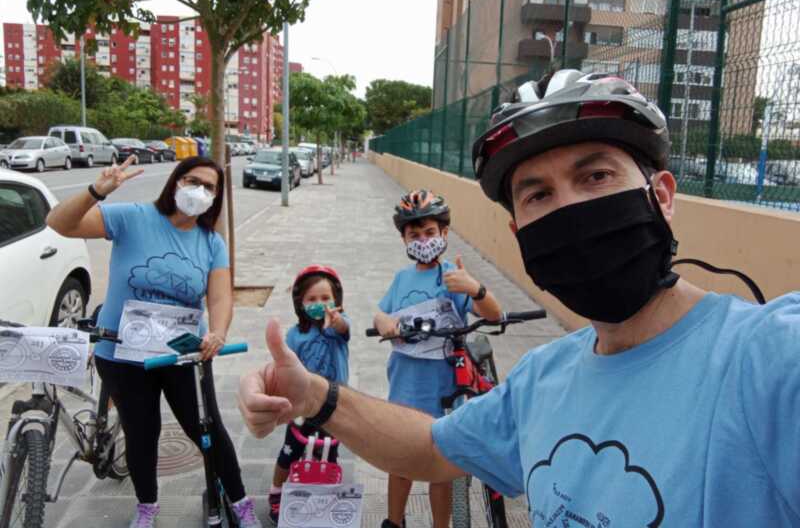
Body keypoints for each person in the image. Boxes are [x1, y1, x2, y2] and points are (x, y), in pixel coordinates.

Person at [238, 70, 800, 526]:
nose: (570, 211)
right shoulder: (539, 380)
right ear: (519, 236)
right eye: (537, 195)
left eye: (597, 176)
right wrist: (316, 395)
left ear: (662, 196)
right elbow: (432, 448)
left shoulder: (768, 358)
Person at [47, 156, 261, 528]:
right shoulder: (133, 217)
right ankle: (147, 505)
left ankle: (239, 500)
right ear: (175, 182)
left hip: (182, 356)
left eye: (209, 187)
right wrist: (97, 190)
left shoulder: (211, 242)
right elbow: (59, 224)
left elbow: (220, 296)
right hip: (123, 356)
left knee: (207, 429)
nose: (199, 191)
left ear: (216, 197)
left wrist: (219, 332)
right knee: (141, 433)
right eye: (192, 180)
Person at [373, 189, 502, 528]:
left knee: (439, 471)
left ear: (444, 233)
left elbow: (494, 314)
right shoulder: (402, 279)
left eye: (429, 232)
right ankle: (394, 521)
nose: (423, 239)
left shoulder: (453, 277)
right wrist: (384, 322)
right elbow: (380, 315)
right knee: (400, 464)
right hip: (404, 388)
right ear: (403, 238)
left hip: (444, 391)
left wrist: (475, 288)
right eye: (414, 234)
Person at [267, 265, 351, 525]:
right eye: (312, 299)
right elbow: (286, 365)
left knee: (330, 451)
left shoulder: (338, 328)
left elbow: (344, 329)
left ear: (336, 300)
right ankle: (277, 492)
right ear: (300, 303)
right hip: (302, 404)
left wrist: (336, 322)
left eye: (326, 298)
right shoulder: (296, 334)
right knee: (291, 450)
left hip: (333, 403)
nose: (320, 304)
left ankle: (327, 493)